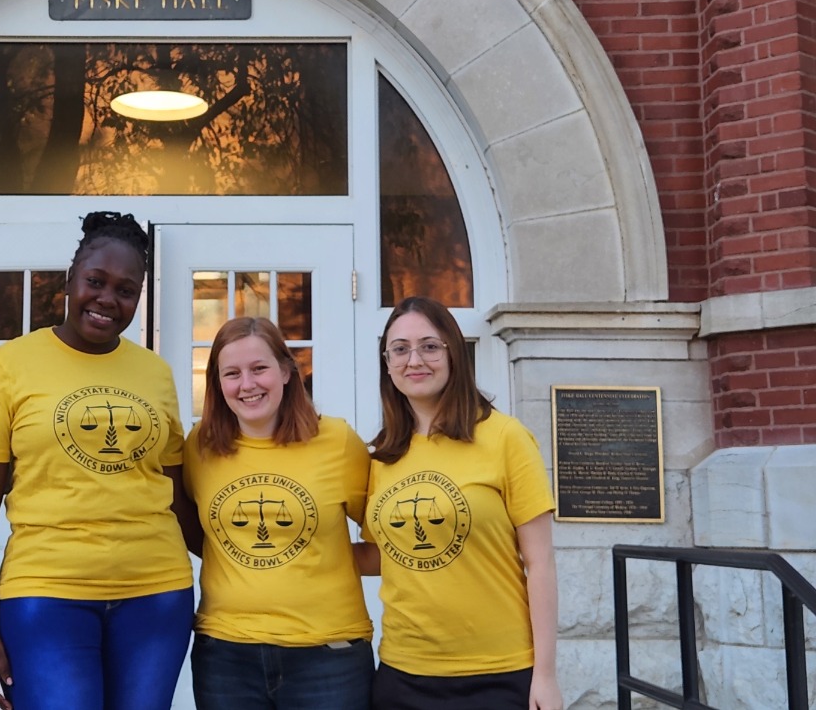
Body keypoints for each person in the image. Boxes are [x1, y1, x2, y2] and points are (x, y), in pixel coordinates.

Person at [0, 211, 197, 710]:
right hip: (44, 595)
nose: (108, 299)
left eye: (126, 290)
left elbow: (176, 495)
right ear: (69, 280)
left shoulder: (154, 373)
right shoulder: (10, 366)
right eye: (96, 281)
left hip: (157, 594)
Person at [359, 296, 562, 710]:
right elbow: (387, 556)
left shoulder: (505, 437)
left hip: (497, 674)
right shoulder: (383, 455)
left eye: (430, 346)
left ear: (454, 352)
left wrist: (545, 674)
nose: (414, 360)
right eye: (400, 349)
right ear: (387, 362)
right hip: (403, 673)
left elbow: (540, 563)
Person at [184, 316, 374, 710]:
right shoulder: (200, 447)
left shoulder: (336, 442)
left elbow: (389, 538)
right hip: (226, 654)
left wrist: (327, 559)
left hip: (329, 654)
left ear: (287, 371)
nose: (247, 384)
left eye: (259, 369)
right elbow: (195, 530)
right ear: (217, 383)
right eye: (231, 373)